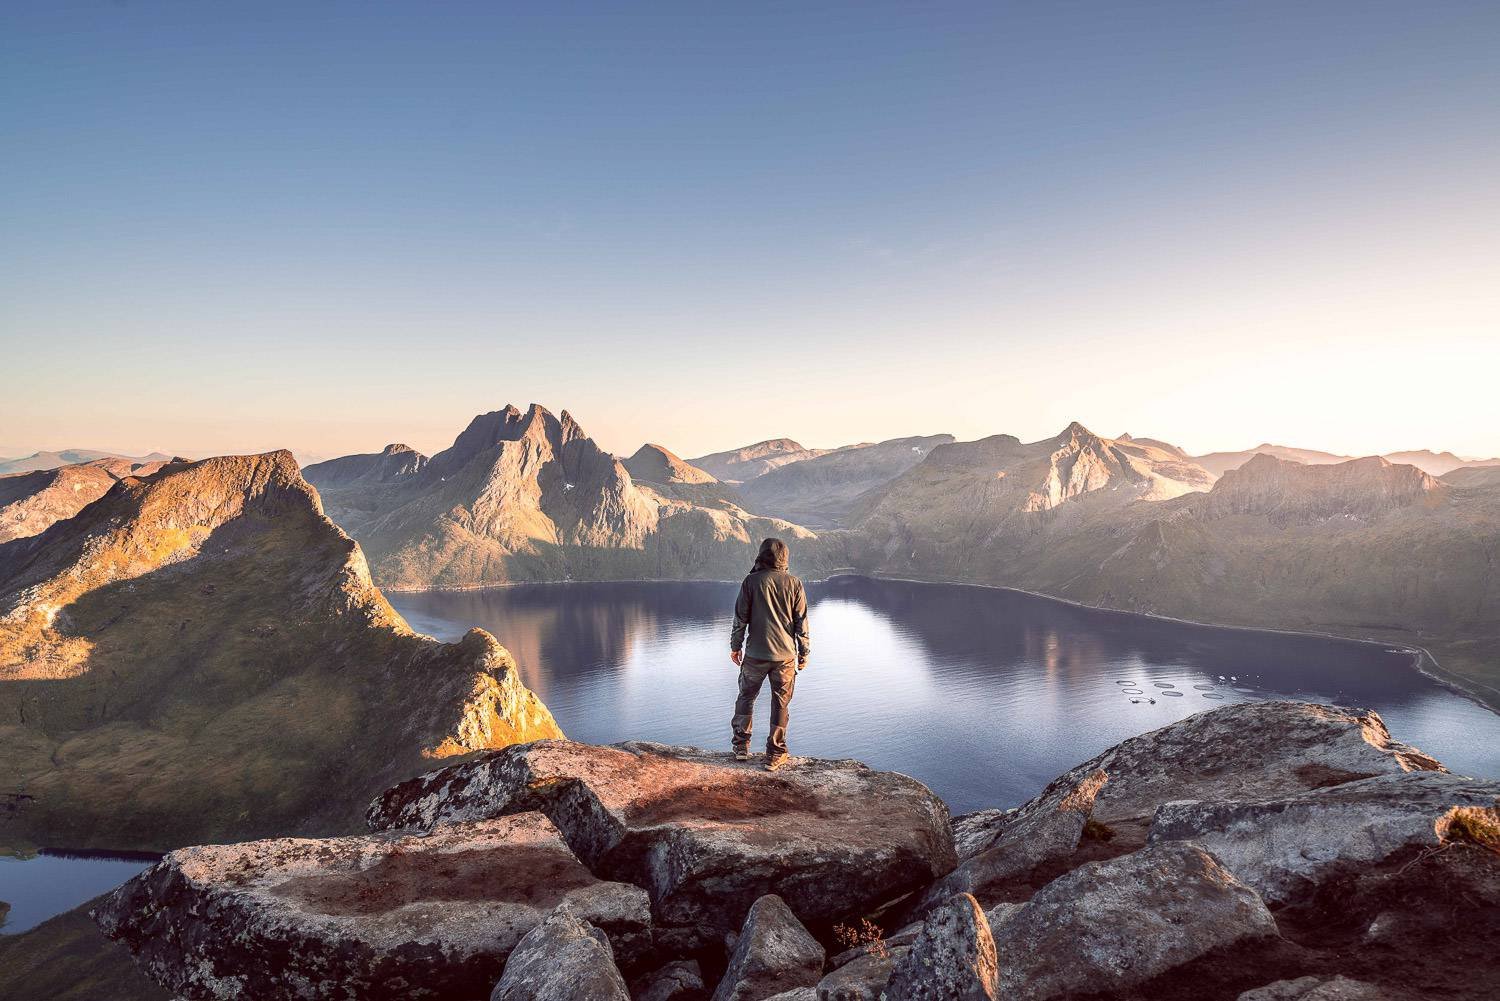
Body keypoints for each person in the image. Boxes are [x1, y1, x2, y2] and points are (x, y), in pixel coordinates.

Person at [729, 537, 810, 771]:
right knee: (780, 703)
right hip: (785, 657)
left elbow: (740, 619)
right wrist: (803, 653)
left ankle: (741, 747)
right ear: (784, 558)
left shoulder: (751, 582)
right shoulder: (794, 583)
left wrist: (736, 647)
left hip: (755, 654)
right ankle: (775, 754)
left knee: (746, 698)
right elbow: (801, 623)